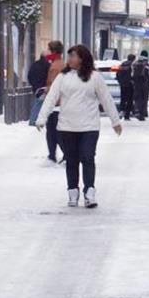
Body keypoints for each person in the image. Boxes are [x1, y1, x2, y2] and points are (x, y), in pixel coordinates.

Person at [36, 45, 122, 208]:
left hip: (89, 126)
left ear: (82, 58)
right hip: (67, 126)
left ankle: (89, 191)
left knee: (88, 157)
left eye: (73, 56)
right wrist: (42, 118)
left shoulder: (95, 77)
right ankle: (73, 191)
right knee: (72, 160)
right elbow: (51, 98)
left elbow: (106, 99)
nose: (70, 60)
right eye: (69, 56)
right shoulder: (63, 77)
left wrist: (115, 121)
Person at [43, 40, 66, 163]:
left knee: (53, 132)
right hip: (60, 103)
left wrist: (48, 98)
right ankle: (57, 153)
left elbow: (53, 86)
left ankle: (56, 154)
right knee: (56, 131)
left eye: (48, 49)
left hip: (56, 105)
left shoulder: (55, 67)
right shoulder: (61, 64)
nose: (46, 52)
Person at [26, 46, 51, 126]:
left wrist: (34, 85)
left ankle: (34, 120)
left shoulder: (34, 64)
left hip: (36, 88)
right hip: (44, 88)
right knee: (40, 104)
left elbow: (29, 76)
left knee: (37, 103)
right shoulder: (48, 66)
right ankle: (33, 121)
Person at [132, 50, 149, 121]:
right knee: (145, 98)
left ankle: (137, 111)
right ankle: (144, 112)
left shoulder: (135, 62)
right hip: (145, 83)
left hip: (137, 83)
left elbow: (132, 74)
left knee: (138, 98)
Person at [117, 54, 136, 120]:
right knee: (130, 100)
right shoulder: (132, 65)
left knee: (123, 98)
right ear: (133, 59)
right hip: (129, 85)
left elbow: (117, 74)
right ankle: (127, 115)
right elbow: (133, 75)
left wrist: (120, 82)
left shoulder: (122, 64)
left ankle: (121, 110)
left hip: (122, 85)